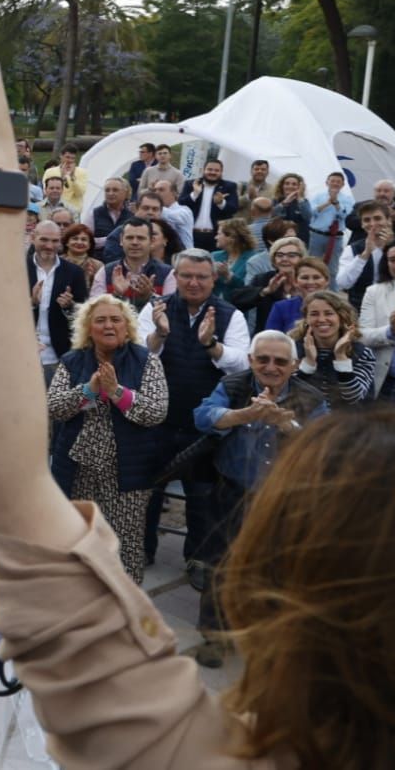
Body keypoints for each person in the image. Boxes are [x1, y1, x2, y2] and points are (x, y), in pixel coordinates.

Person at [0, 55, 395, 770]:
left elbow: (3, 476)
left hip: (134, 466)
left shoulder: (202, 755)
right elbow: (52, 407)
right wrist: (89, 390)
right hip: (84, 462)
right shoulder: (128, 333)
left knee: (129, 549)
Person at [190, 331, 328, 666]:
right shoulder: (236, 385)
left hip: (281, 500)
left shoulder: (310, 397)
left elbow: (325, 446)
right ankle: (215, 637)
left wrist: (289, 426)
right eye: (263, 359)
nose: (271, 367)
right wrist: (244, 415)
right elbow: (203, 416)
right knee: (220, 565)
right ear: (251, 359)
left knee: (275, 570)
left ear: (294, 365)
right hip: (231, 492)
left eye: (280, 361)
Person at [140, 248, 250, 584]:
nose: (193, 282)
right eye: (186, 275)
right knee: (149, 490)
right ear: (175, 277)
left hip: (204, 424)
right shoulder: (155, 307)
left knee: (202, 495)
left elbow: (240, 363)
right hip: (158, 418)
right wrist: (160, 333)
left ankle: (198, 560)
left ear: (213, 279)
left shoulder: (231, 315)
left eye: (201, 276)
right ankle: (141, 549)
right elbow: (140, 352)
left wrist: (210, 344)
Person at [44, 294, 169, 582]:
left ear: (127, 327)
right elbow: (54, 407)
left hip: (127, 473)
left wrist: (116, 392)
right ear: (88, 327)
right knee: (77, 541)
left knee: (122, 548)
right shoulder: (72, 361)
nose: (109, 326)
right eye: (100, 320)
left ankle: (123, 611)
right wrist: (88, 390)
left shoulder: (146, 362)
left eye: (116, 319)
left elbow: (156, 412)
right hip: (77, 470)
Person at [357, 234, 395, 397]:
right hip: (388, 384)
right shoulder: (375, 293)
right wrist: (391, 332)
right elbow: (362, 336)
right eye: (392, 260)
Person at [290, 290, 376, 405]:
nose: (321, 319)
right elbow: (288, 393)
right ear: (306, 319)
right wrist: (308, 364)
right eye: (314, 314)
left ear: (341, 318)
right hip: (306, 419)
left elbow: (354, 397)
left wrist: (341, 357)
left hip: (346, 421)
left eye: (329, 313)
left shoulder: (362, 353)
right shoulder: (292, 350)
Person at [29, 221, 89, 385]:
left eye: (55, 241)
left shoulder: (74, 272)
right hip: (23, 354)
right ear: (33, 238)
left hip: (59, 355)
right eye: (44, 240)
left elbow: (83, 316)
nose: (49, 246)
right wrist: (31, 303)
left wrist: (69, 306)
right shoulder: (18, 267)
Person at [338, 199, 395, 311]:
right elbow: (343, 283)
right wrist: (365, 255)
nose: (372, 224)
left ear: (388, 220)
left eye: (377, 218)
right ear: (362, 224)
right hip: (361, 308)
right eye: (367, 220)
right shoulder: (352, 249)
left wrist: (390, 249)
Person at [179, 159, 239, 251]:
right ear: (203, 170)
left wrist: (221, 203)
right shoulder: (191, 184)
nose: (213, 172)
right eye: (210, 169)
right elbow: (181, 204)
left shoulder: (229, 186)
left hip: (216, 236)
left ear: (221, 172)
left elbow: (234, 208)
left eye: (216, 170)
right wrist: (194, 194)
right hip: (192, 235)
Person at [261, 255, 330, 333]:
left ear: (327, 281)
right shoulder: (281, 308)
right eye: (305, 278)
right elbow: (270, 339)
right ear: (295, 282)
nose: (311, 282)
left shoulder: (338, 306)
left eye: (316, 277)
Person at [306, 171, 354, 261]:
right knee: (313, 262)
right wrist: (327, 203)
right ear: (327, 182)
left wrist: (336, 203)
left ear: (343, 184)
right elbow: (311, 212)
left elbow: (346, 215)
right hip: (317, 235)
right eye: (332, 181)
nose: (335, 183)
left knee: (333, 266)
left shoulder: (348, 199)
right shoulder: (318, 196)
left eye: (338, 181)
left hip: (335, 237)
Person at [210, 217, 258, 303]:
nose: (215, 237)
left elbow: (250, 289)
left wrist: (229, 276)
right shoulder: (214, 256)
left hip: (239, 308)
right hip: (214, 307)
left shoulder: (253, 258)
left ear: (231, 237)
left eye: (219, 234)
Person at [41, 144, 89, 215]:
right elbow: (46, 191)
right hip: (53, 210)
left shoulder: (82, 172)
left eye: (72, 158)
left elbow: (80, 193)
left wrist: (72, 178)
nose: (69, 161)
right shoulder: (50, 171)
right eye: (67, 157)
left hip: (74, 211)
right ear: (61, 156)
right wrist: (62, 177)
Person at [61, 222, 102, 290]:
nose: (79, 242)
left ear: (89, 245)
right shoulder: (57, 262)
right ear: (66, 242)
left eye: (84, 239)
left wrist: (92, 278)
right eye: (75, 238)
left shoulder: (98, 265)